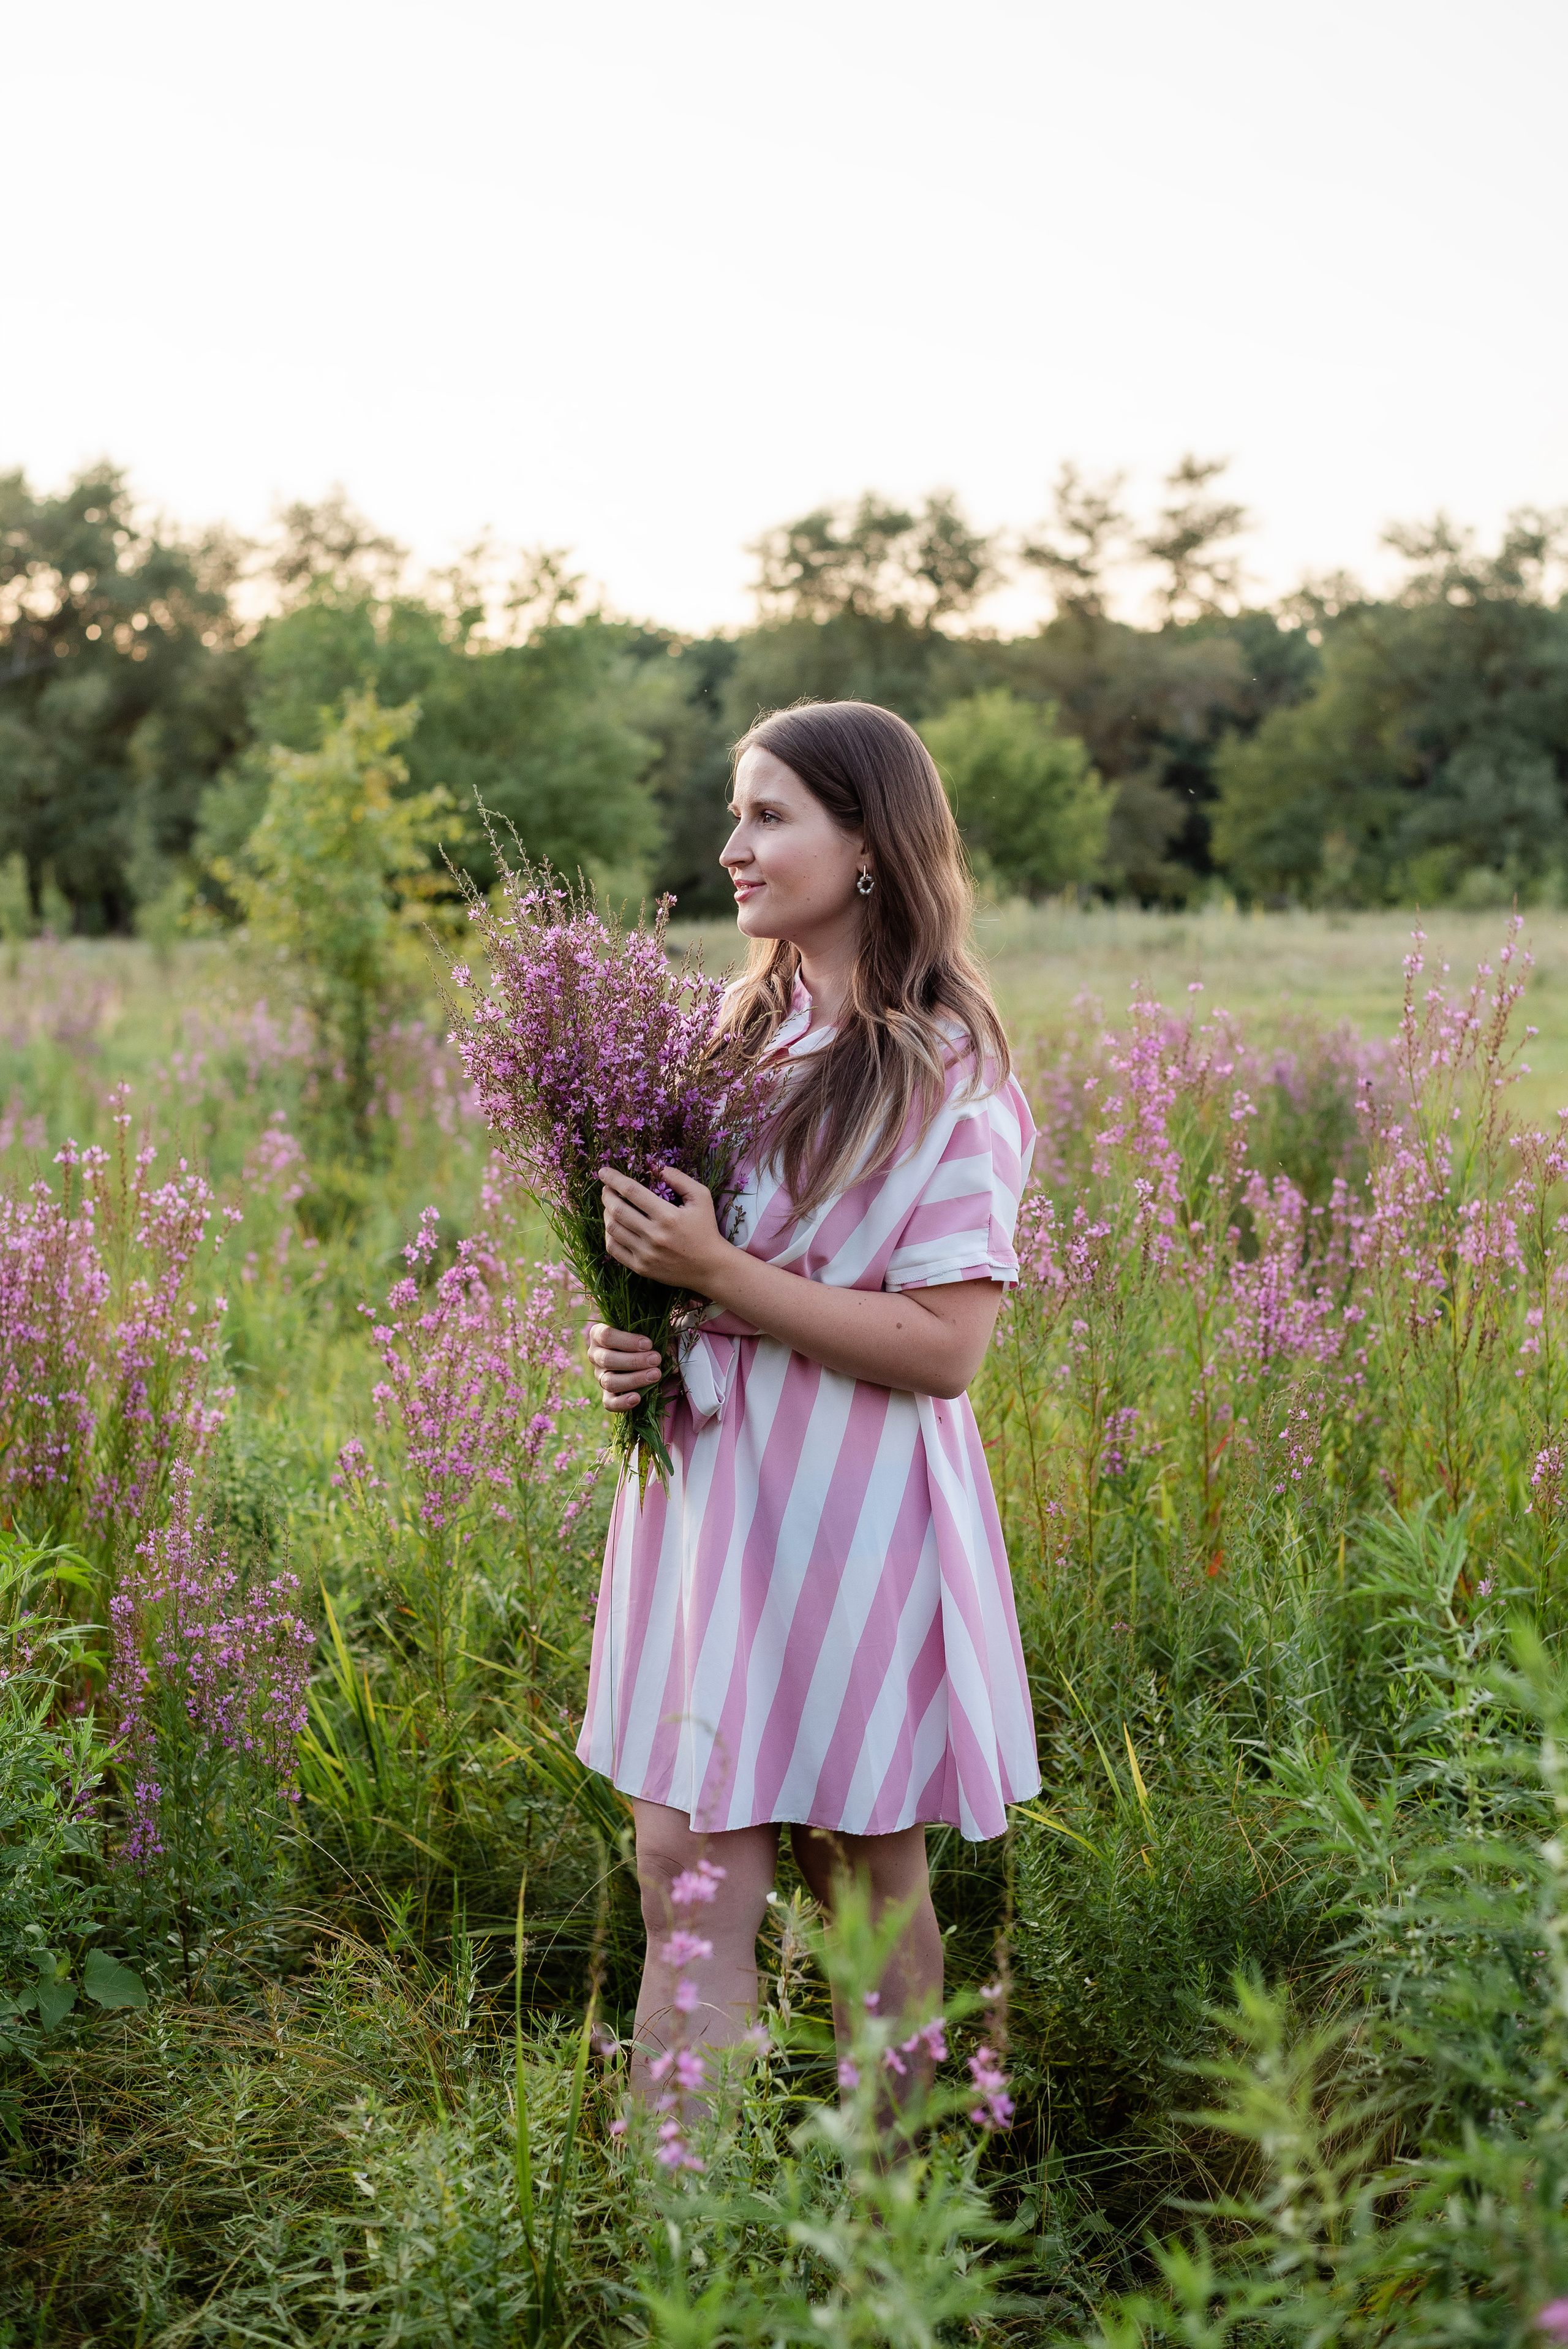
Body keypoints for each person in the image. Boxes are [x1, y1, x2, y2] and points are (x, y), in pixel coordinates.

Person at [576, 699, 1041, 2094]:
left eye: (769, 814)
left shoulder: (946, 1065)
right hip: (710, 1496)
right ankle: (680, 2238)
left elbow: (946, 1347)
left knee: (860, 1872)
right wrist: (638, 1338)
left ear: (871, 847)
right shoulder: (730, 1037)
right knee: (682, 1868)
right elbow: (692, 1280)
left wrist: (717, 1274)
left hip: (852, 1513)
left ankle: (889, 2231)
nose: (731, 845)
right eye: (736, 811)